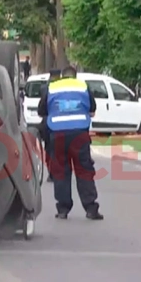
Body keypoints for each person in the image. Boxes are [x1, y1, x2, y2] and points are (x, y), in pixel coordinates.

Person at [37, 65, 103, 220]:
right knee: (84, 169)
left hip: (57, 133)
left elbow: (42, 111)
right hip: (79, 133)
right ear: (75, 76)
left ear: (62, 76)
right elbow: (92, 111)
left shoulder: (52, 87)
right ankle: (91, 208)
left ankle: (63, 209)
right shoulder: (83, 86)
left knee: (60, 170)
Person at [39, 70, 61, 182]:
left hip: (47, 122)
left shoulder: (44, 88)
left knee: (49, 148)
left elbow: (41, 110)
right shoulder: (62, 88)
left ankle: (51, 172)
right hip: (60, 122)